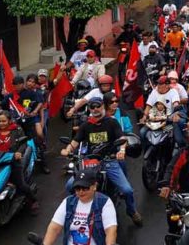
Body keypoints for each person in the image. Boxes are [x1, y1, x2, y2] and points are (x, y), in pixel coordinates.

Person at [61, 97, 143, 226]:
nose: (95, 109)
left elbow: (122, 138)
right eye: (92, 107)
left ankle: (132, 211)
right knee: (70, 185)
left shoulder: (112, 122)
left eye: (97, 106)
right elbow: (75, 142)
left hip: (109, 161)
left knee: (127, 190)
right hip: (90, 162)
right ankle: (74, 211)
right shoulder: (86, 125)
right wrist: (67, 150)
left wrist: (121, 150)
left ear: (103, 106)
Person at [34, 169, 119, 245]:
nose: (81, 191)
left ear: (94, 186)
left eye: (85, 188)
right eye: (77, 188)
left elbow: (110, 230)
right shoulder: (68, 202)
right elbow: (54, 228)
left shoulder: (105, 203)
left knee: (126, 190)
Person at [0, 111, 39, 214]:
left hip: (11, 161)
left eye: (4, 121)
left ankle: (33, 201)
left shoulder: (17, 130)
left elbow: (23, 144)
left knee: (20, 184)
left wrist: (18, 152)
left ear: (9, 121)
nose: (1, 123)